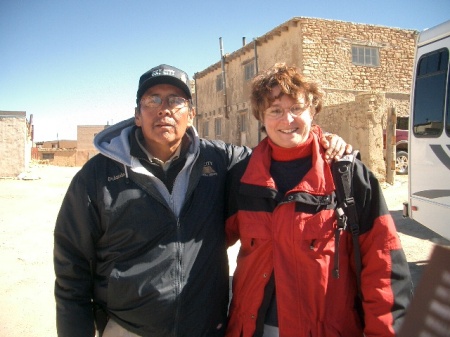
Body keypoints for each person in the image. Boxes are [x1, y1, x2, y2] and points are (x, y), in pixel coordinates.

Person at [53, 64, 351, 337]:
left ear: (191, 114)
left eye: (176, 101)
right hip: (129, 328)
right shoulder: (99, 175)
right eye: (153, 100)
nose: (164, 109)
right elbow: (72, 266)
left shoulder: (220, 160)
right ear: (137, 113)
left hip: (205, 327)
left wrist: (322, 141)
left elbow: (281, 150)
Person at [224, 63, 413, 337]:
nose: (287, 120)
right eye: (275, 110)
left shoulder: (347, 175)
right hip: (254, 329)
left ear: (312, 110)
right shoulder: (242, 176)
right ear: (260, 117)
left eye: (296, 108)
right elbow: (202, 247)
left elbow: (383, 264)